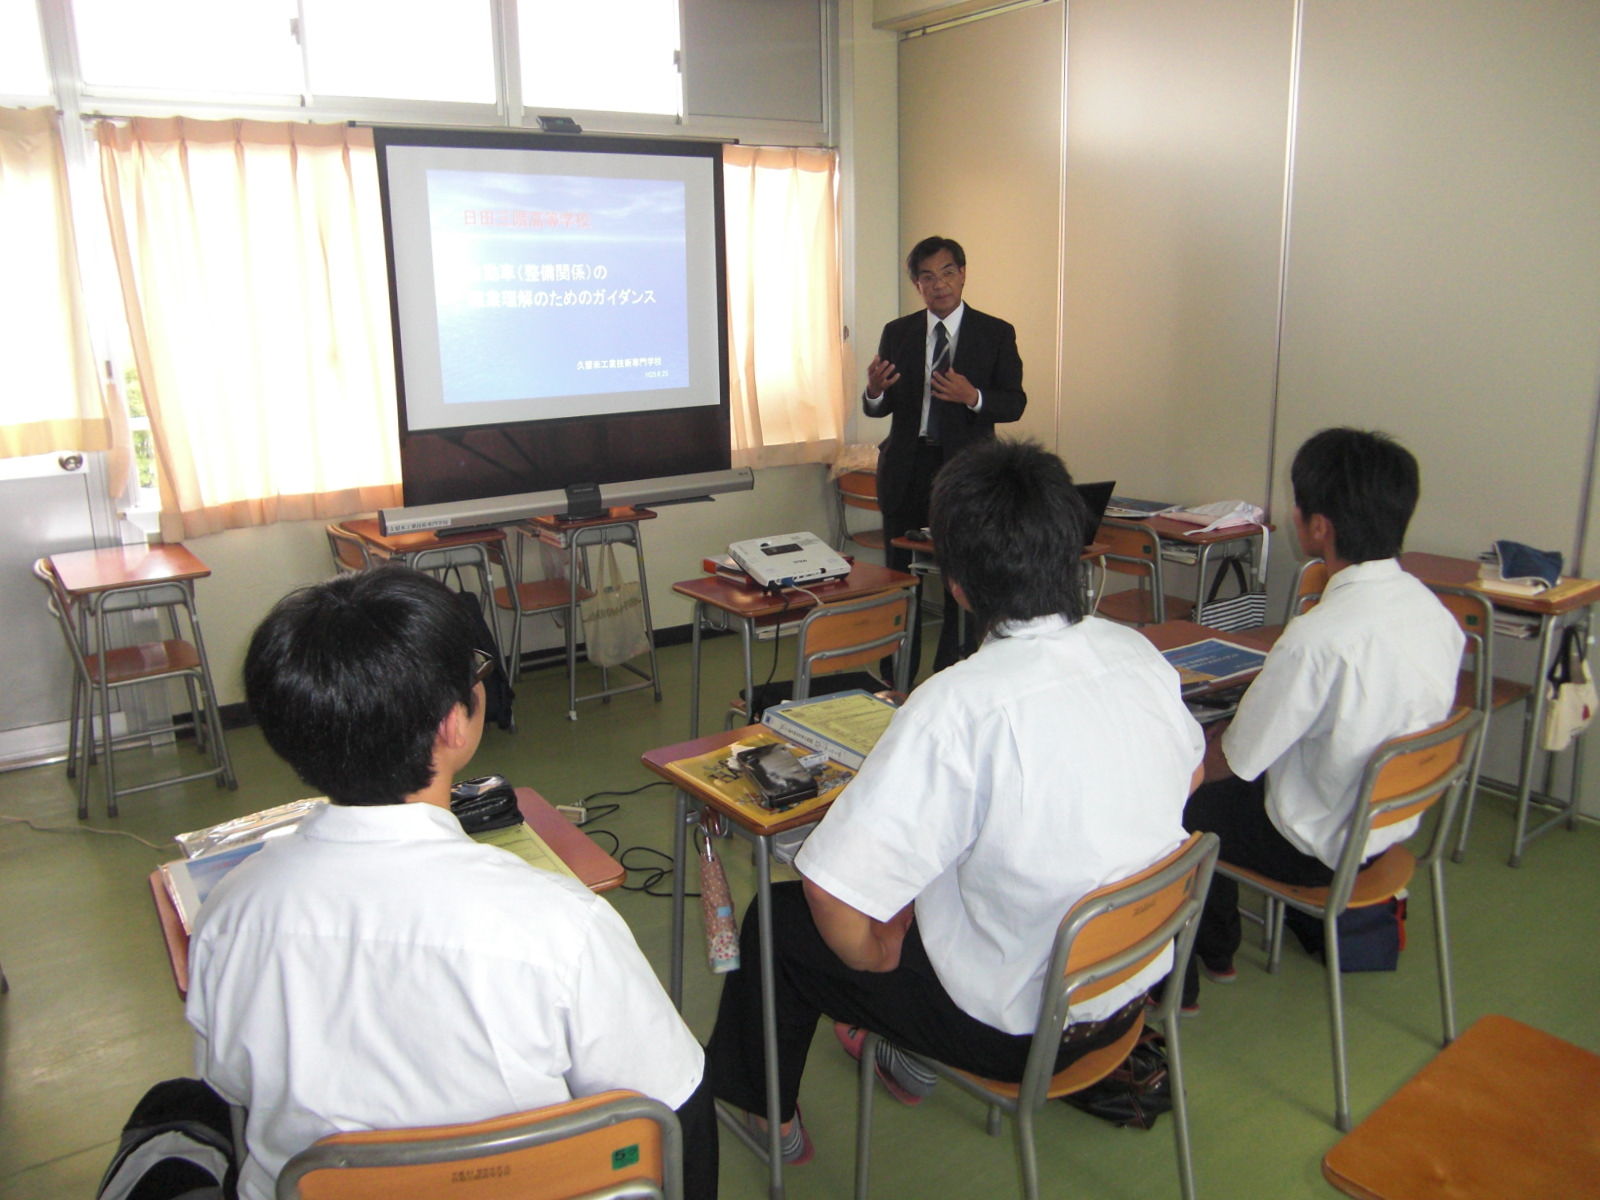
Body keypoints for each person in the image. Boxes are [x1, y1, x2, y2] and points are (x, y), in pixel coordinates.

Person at [705, 438, 1202, 1160]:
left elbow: (834, 901)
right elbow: (1187, 776)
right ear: (1075, 549)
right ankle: (894, 1048)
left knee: (779, 925)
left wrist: (878, 957)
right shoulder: (1137, 655)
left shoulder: (955, 706)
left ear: (958, 583)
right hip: (1129, 988)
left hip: (1021, 1031)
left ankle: (767, 1120)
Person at [185, 566, 716, 1200]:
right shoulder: (562, 926)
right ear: (452, 724)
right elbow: (671, 1111)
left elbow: (232, 1086)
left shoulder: (231, 912)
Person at [1180, 428, 1463, 1010]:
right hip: (1387, 828)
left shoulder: (1318, 638)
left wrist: (1187, 748)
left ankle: (1208, 958)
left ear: (1319, 527)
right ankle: (1217, 949)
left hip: (1317, 847)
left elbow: (1235, 760)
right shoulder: (1434, 614)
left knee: (1187, 798)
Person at [864, 235, 1026, 676]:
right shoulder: (898, 333)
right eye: (927, 277)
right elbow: (881, 404)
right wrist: (875, 391)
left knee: (964, 580)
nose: (939, 285)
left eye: (947, 273)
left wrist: (973, 396)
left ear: (963, 274)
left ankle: (954, 673)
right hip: (906, 468)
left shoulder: (995, 332)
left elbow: (1014, 403)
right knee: (901, 581)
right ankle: (897, 677)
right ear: (917, 285)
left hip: (966, 476)